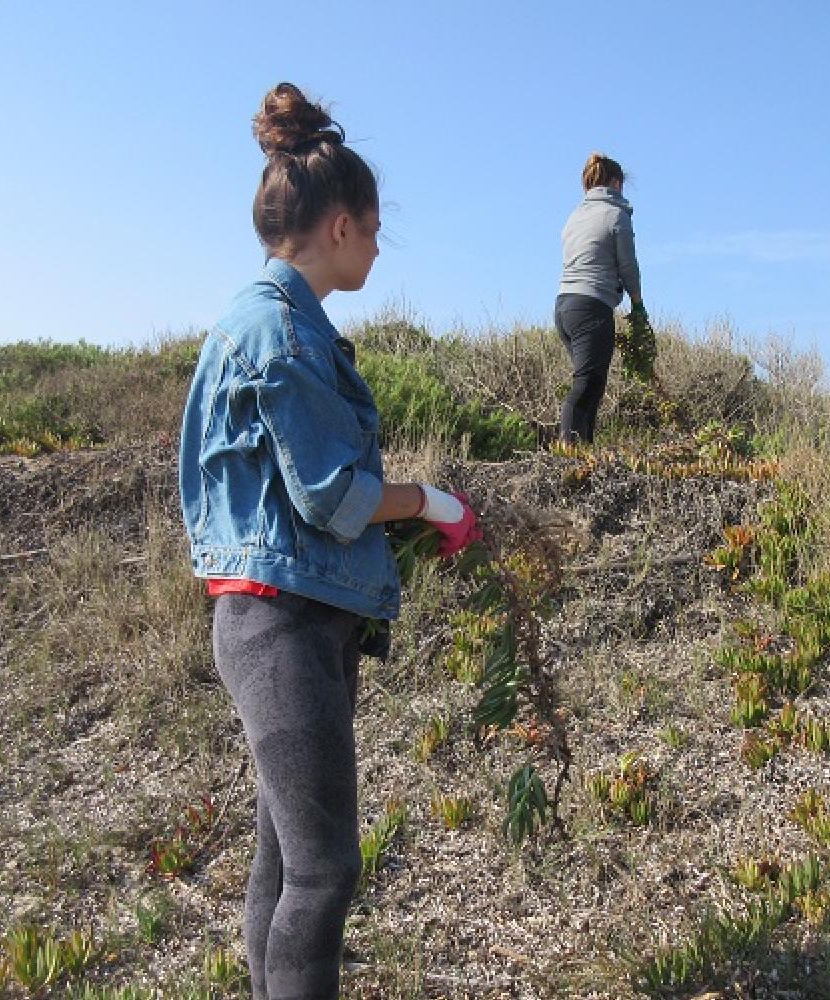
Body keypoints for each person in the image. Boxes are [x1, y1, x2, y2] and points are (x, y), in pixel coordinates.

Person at [178, 82, 479, 1000]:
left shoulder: (277, 322)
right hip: (284, 628)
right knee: (323, 871)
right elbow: (332, 496)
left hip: (289, 620)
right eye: (377, 229)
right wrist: (432, 503)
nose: (382, 247)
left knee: (283, 858)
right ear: (340, 225)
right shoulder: (279, 331)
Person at [554, 152, 644, 444]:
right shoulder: (616, 214)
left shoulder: (575, 216)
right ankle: (568, 456)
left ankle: (583, 453)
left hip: (565, 306)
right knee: (587, 383)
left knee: (591, 384)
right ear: (616, 183)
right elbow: (628, 265)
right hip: (592, 307)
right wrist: (638, 304)